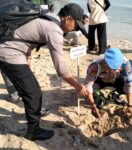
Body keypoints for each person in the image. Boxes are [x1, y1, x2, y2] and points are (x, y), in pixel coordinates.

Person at [0, 3, 90, 141]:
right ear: (67, 19)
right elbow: (61, 71)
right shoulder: (54, 30)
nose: (76, 28)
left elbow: (28, 34)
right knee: (34, 92)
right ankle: (33, 131)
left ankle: (32, 109)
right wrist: (78, 86)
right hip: (9, 51)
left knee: (28, 87)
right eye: (76, 25)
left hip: (9, 44)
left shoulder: (49, 16)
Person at [84, 48, 132, 119]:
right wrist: (93, 106)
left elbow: (129, 83)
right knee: (87, 91)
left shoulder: (125, 63)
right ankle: (99, 96)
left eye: (117, 68)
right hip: (101, 79)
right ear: (105, 63)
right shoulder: (94, 66)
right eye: (112, 68)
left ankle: (115, 93)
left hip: (116, 79)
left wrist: (130, 105)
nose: (115, 70)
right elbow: (88, 86)